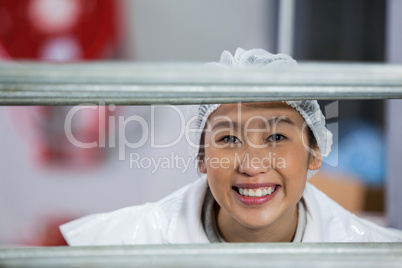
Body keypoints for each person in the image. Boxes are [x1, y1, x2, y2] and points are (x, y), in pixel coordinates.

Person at [60, 48, 402, 245]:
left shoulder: (372, 254)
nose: (252, 166)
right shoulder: (123, 245)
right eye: (228, 139)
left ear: (315, 153)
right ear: (202, 158)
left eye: (276, 137)